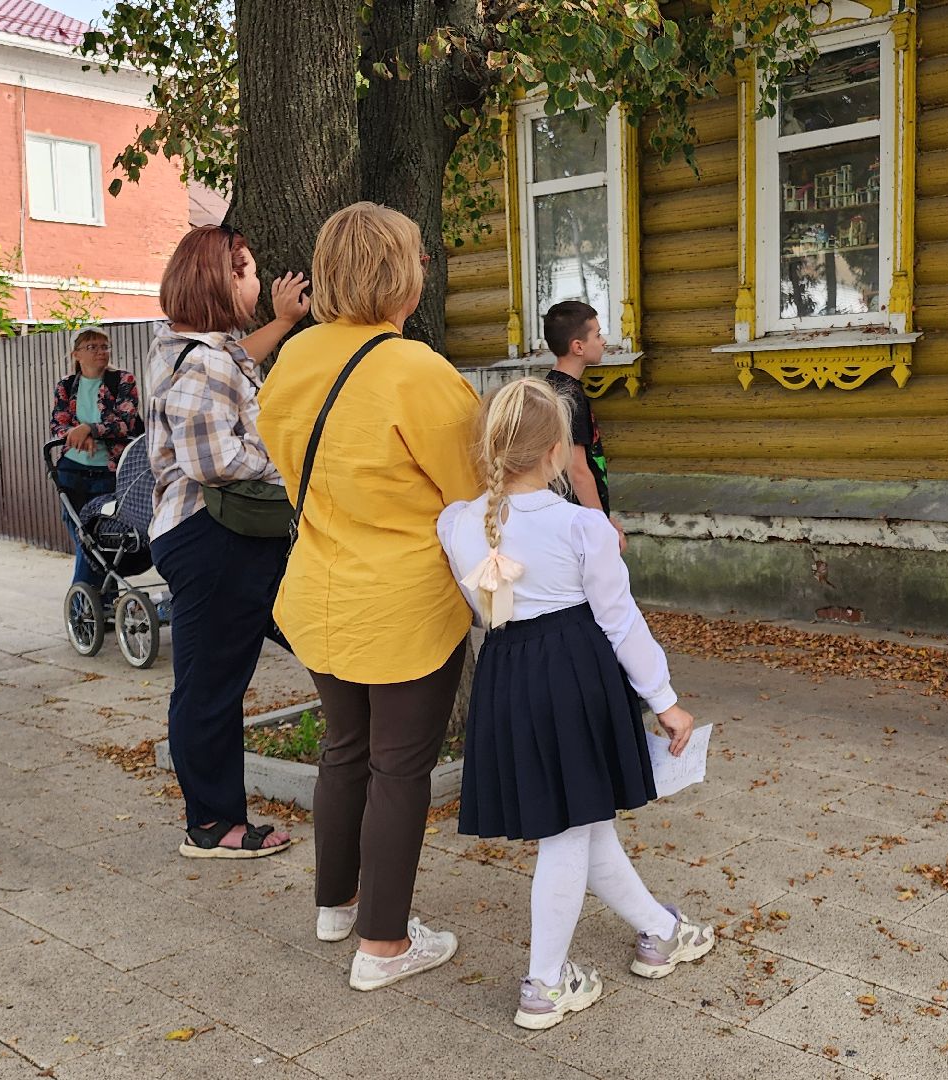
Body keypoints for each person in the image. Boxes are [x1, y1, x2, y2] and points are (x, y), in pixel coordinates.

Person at [437, 377, 716, 1032]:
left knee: (583, 822)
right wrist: (666, 701)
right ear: (557, 451)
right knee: (566, 834)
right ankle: (544, 984)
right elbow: (620, 622)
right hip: (573, 678)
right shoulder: (582, 526)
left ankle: (659, 930)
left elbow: (492, 610)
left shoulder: (460, 524)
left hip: (509, 676)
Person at [254, 202, 479, 991]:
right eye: (416, 258)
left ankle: (336, 904)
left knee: (343, 749)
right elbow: (473, 496)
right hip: (405, 601)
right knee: (400, 767)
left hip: (320, 588)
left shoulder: (292, 360)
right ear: (402, 278)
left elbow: (290, 469)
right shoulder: (418, 371)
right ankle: (384, 946)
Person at [146, 223, 310, 858]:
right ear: (220, 278)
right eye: (247, 269)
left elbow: (240, 362)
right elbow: (215, 459)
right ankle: (213, 826)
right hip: (213, 538)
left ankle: (368, 743)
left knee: (304, 634)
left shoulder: (188, 347)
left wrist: (283, 322)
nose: (257, 278)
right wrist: (290, 463)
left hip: (216, 539)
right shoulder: (206, 362)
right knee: (210, 686)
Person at [49, 329, 143, 595]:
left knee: (103, 539)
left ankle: (89, 605)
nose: (101, 351)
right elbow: (58, 425)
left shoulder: (122, 380)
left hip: (111, 472)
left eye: (105, 346)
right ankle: (98, 603)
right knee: (84, 538)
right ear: (76, 354)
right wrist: (75, 435)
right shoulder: (66, 386)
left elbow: (126, 423)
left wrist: (90, 429)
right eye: (92, 347)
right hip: (73, 472)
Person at [541, 300, 624, 550]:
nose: (603, 341)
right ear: (578, 346)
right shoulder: (569, 397)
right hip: (576, 524)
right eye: (597, 335)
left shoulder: (551, 386)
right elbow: (577, 470)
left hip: (568, 518)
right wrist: (602, 526)